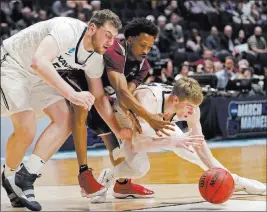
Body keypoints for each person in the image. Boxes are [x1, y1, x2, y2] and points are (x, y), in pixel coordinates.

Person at [1, 10, 124, 211]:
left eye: (114, 37)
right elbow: (38, 61)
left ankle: (25, 176)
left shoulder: (95, 59)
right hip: (13, 65)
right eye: (107, 35)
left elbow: (99, 98)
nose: (111, 42)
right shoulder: (67, 29)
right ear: (92, 28)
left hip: (39, 77)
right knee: (27, 128)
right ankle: (9, 177)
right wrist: (72, 94)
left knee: (65, 119)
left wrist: (120, 132)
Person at [94, 78, 266, 202]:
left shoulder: (191, 107)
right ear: (175, 100)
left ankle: (239, 182)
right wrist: (172, 142)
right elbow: (138, 143)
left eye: (195, 108)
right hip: (121, 120)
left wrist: (229, 179)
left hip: (157, 122)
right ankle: (108, 176)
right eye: (189, 108)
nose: (192, 113)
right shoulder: (148, 100)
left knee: (191, 149)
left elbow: (200, 147)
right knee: (140, 168)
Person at [69, 17, 176, 200]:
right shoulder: (114, 50)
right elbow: (121, 91)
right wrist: (149, 117)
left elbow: (127, 94)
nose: (146, 51)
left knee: (121, 141)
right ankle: (88, 175)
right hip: (81, 89)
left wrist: (131, 112)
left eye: (149, 47)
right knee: (96, 122)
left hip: (107, 99)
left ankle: (122, 184)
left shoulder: (144, 65)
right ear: (129, 40)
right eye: (142, 45)